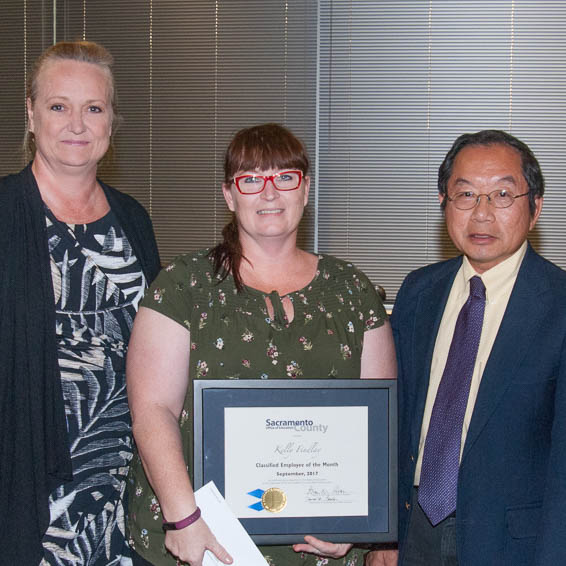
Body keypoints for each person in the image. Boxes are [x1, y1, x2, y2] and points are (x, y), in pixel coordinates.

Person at [126, 123, 397, 566]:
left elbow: (376, 424)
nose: (269, 193)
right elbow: (153, 411)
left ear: (305, 190)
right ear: (230, 196)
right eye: (251, 180)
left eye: (285, 177)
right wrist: (183, 518)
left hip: (317, 549)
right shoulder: (183, 286)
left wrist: (354, 526)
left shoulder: (352, 290)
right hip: (197, 541)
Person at [368, 130, 566, 566]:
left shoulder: (559, 304)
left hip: (514, 543)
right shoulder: (419, 291)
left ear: (535, 207)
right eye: (466, 194)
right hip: (414, 528)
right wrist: (382, 534)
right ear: (444, 204)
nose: (482, 213)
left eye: (502, 194)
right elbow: (396, 423)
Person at [0, 41, 161, 565]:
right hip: (28, 477)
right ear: (30, 113)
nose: (76, 123)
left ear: (112, 121)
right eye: (58, 105)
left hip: (128, 475)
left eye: (93, 108)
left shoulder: (133, 220)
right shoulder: (4, 215)